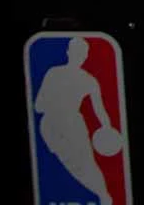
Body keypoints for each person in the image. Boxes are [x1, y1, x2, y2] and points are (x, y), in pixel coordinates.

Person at [34, 37, 114, 205]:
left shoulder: (89, 80)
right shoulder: (54, 73)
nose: (80, 56)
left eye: (82, 53)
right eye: (78, 52)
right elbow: (38, 106)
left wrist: (107, 129)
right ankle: (99, 195)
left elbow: (100, 110)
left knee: (85, 163)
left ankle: (103, 196)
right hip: (53, 126)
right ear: (69, 52)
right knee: (73, 163)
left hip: (72, 124)